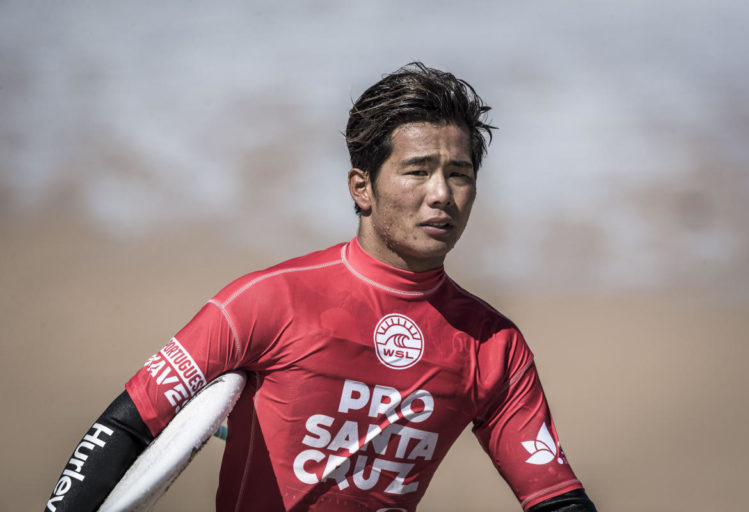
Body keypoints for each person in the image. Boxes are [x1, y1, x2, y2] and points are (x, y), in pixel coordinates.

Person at [45, 62, 597, 512]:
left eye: (460, 174)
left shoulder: (492, 346)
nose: (441, 194)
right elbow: (125, 426)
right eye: (418, 170)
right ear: (362, 188)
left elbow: (556, 498)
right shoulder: (267, 302)